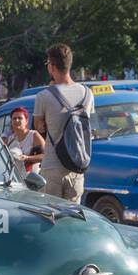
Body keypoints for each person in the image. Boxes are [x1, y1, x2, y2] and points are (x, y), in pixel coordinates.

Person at [33, 42, 95, 202]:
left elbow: (39, 128)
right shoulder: (87, 94)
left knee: (51, 219)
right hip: (77, 166)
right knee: (72, 220)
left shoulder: (44, 96)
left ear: (51, 66)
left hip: (52, 167)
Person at [3, 107, 44, 174]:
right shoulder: (10, 139)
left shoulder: (33, 135)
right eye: (14, 118)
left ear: (26, 121)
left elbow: (45, 156)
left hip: (31, 178)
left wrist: (27, 158)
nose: (16, 120)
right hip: (14, 177)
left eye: (20, 118)